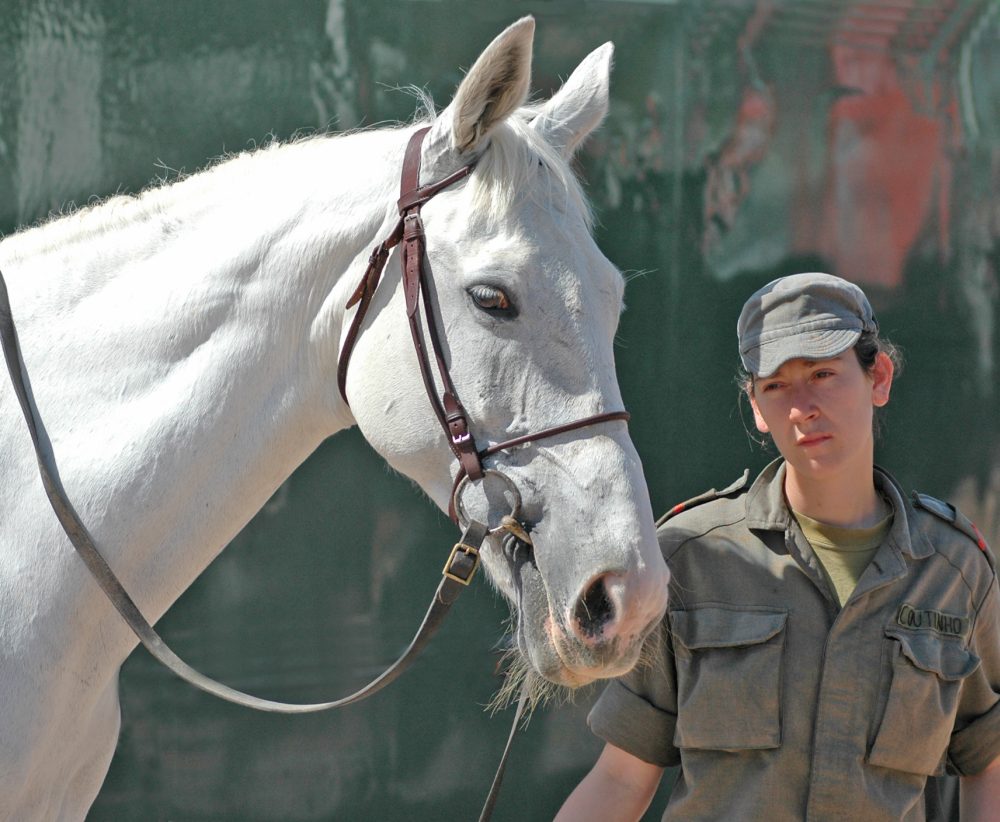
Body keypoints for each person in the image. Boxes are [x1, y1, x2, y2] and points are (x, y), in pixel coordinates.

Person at [556, 272, 1000, 821]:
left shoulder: (954, 573)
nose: (802, 407)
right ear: (757, 408)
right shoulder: (691, 560)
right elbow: (621, 778)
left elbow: (989, 763)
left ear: (878, 377)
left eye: (823, 374)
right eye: (776, 386)